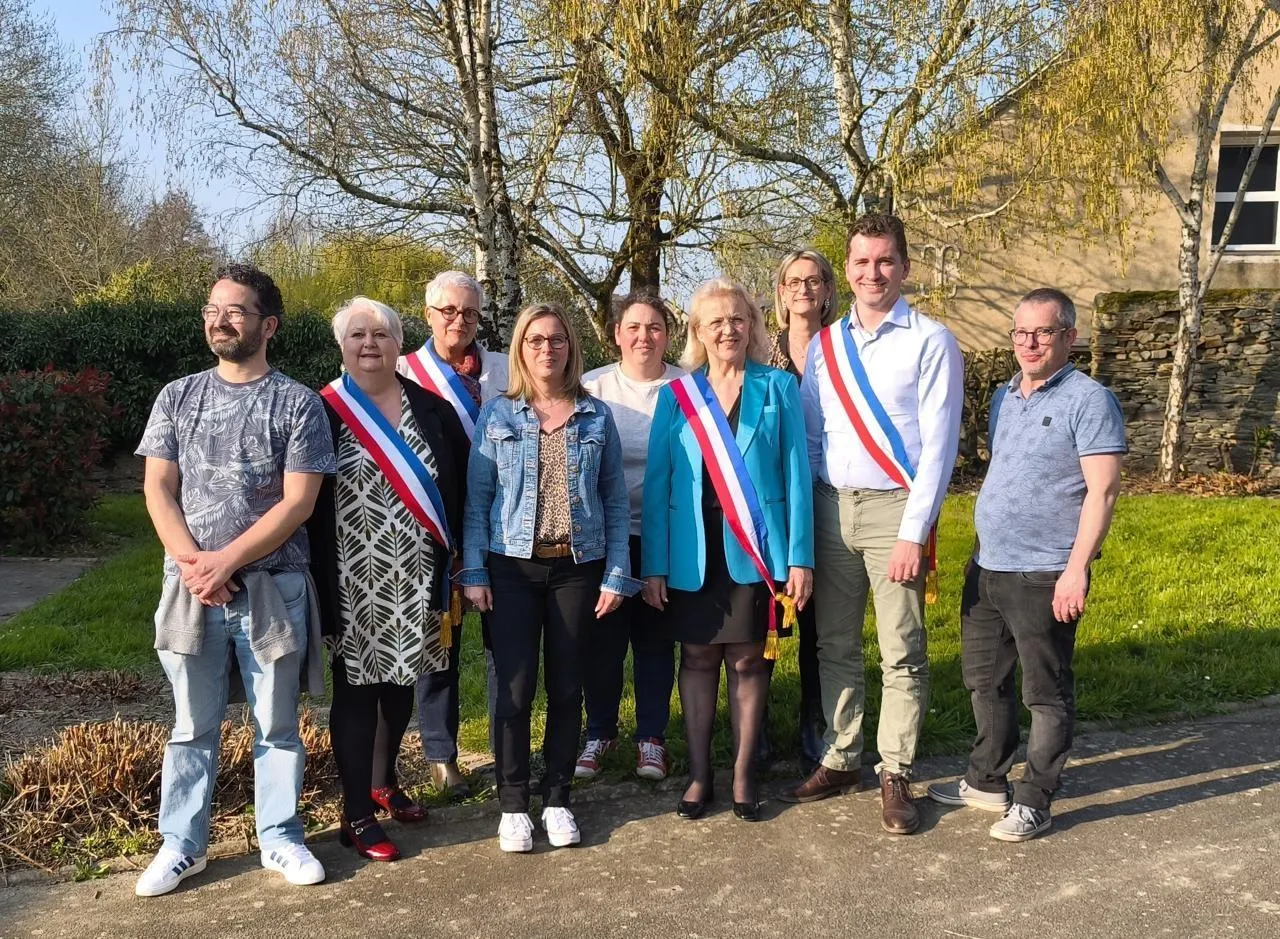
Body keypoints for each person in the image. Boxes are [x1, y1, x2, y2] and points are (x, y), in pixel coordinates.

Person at [134, 263, 336, 896]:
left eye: (235, 311)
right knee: (191, 726)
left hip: (273, 590)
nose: (219, 321)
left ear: (268, 325)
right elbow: (158, 488)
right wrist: (197, 565)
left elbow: (298, 503)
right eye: (212, 310)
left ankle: (280, 837)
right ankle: (182, 845)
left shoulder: (298, 403)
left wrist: (227, 562)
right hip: (190, 590)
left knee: (276, 726)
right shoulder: (177, 396)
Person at [784, 213, 963, 838]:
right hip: (831, 506)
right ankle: (842, 756)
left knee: (901, 649)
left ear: (905, 267)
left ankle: (897, 770)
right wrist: (809, 513)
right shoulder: (826, 345)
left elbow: (939, 448)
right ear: (848, 269)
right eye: (861, 261)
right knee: (833, 644)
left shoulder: (931, 341)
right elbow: (812, 435)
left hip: (894, 510)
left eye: (885, 260)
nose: (873, 273)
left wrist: (915, 531)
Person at [927, 288, 1125, 842]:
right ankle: (987, 780)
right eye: (1020, 332)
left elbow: (1103, 492)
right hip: (988, 565)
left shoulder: (1090, 400)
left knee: (1045, 692)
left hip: (1045, 572)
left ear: (1070, 337)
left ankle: (1036, 797)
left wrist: (1076, 569)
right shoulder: (1005, 395)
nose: (1029, 343)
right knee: (984, 681)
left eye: (1043, 332)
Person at [459, 302, 639, 852]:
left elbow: (613, 500)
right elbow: (478, 501)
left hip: (577, 570)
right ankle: (514, 803)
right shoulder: (498, 415)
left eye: (556, 339)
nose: (546, 349)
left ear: (570, 347)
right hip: (510, 568)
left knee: (567, 686)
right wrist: (474, 570)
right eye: (535, 340)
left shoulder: (595, 416)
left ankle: (558, 796)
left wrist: (616, 573)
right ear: (520, 348)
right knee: (514, 690)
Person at [642, 278, 814, 823]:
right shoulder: (677, 396)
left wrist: (800, 558)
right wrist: (654, 565)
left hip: (757, 548)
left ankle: (743, 775)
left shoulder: (778, 387)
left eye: (738, 319)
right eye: (715, 321)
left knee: (747, 660)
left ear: (753, 325)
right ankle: (699, 775)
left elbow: (797, 475)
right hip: (693, 552)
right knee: (696, 658)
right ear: (698, 331)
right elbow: (659, 485)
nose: (728, 330)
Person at [309, 297, 470, 862]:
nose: (369, 343)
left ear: (400, 344)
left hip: (420, 576)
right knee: (358, 689)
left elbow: (462, 486)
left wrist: (460, 560)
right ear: (342, 345)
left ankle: (383, 781)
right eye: (357, 334)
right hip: (352, 577)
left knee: (404, 681)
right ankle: (355, 811)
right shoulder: (321, 411)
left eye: (381, 334)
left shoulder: (433, 410)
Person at [397, 270, 505, 798]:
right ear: (428, 314)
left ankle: (507, 747)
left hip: (502, 521)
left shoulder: (506, 368)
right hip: (434, 524)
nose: (458, 321)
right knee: (439, 642)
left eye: (469, 312)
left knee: (505, 642)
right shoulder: (401, 371)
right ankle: (441, 756)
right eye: (448, 311)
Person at [575, 293, 683, 782]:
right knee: (603, 641)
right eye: (633, 327)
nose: (644, 337)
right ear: (616, 334)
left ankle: (651, 738)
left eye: (655, 327)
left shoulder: (688, 387)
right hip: (603, 538)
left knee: (655, 640)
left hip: (666, 536)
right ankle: (599, 731)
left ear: (668, 334)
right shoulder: (592, 387)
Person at [767, 248, 838, 767]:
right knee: (765, 620)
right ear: (781, 292)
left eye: (813, 281)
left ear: (828, 290)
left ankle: (815, 722)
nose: (804, 290)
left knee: (820, 622)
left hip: (829, 493)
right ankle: (755, 727)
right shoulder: (760, 351)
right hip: (770, 501)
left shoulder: (844, 348)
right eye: (794, 281)